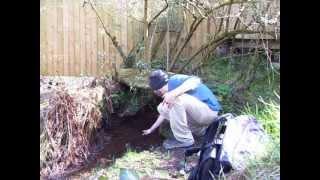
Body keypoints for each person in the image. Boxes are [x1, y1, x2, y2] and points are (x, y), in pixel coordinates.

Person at [142, 69, 222, 150]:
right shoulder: (169, 93)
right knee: (162, 108)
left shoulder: (174, 80)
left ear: (158, 89)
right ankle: (202, 131)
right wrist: (151, 129)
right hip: (201, 117)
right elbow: (164, 113)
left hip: (209, 112)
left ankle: (185, 140)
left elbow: (196, 80)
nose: (157, 93)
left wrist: (173, 94)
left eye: (156, 91)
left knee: (176, 100)